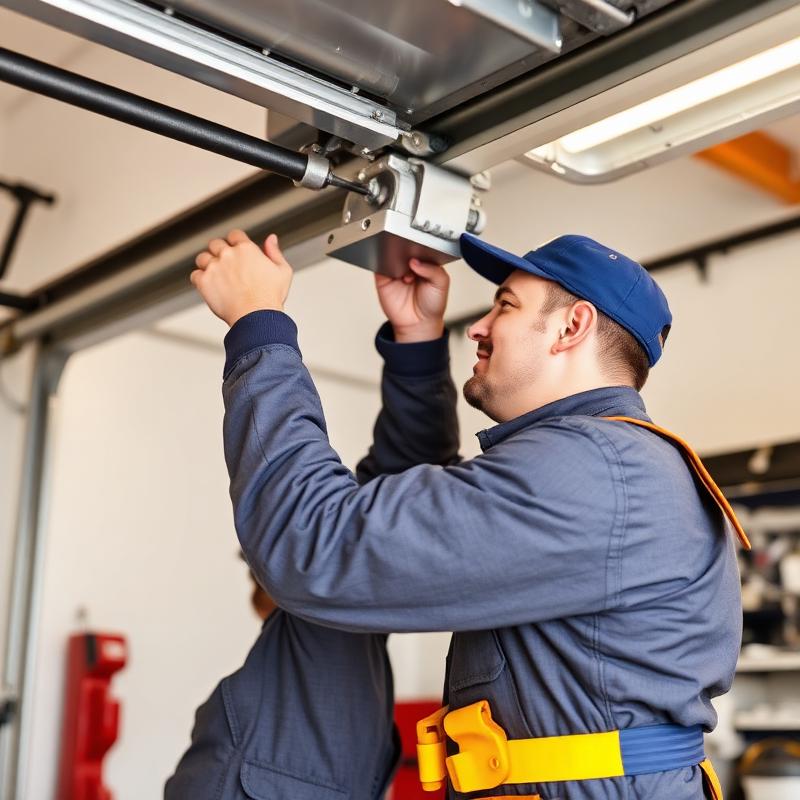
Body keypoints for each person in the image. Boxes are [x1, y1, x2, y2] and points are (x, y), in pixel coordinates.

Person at [190, 228, 746, 799]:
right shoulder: (605, 465)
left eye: (504, 305)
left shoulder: (589, 470)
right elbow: (401, 512)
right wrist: (417, 345)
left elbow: (315, 544)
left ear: (571, 326)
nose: (477, 327)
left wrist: (258, 326)